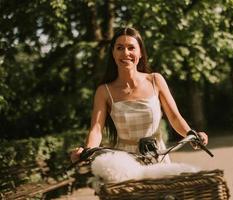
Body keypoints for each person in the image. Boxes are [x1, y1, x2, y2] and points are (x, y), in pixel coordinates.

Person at [70, 27, 208, 163]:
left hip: (158, 157)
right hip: (125, 162)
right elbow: (96, 129)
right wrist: (87, 150)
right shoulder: (104, 91)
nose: (126, 53)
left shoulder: (155, 80)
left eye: (131, 48)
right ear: (113, 53)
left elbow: (174, 117)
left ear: (140, 52)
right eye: (119, 48)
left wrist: (192, 134)